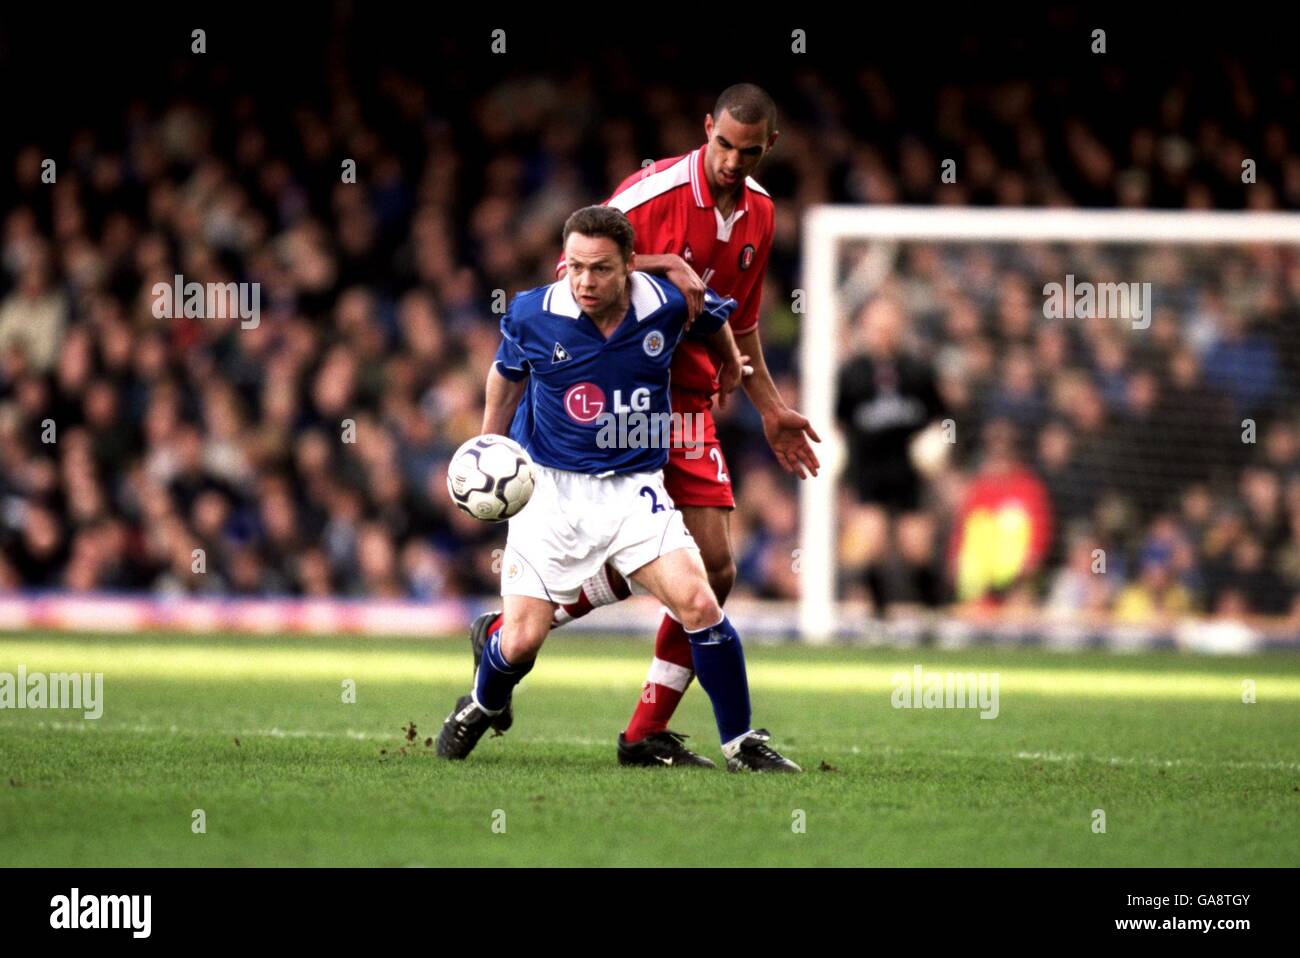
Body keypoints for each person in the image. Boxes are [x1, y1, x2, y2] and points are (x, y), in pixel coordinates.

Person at [465, 83, 821, 768]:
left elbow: (740, 324)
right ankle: (527, 639)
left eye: (748, 152)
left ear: (768, 147)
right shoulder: (648, 195)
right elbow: (571, 281)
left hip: (689, 404)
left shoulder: (761, 215)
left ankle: (642, 728)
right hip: (614, 399)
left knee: (714, 572)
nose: (731, 162)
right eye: (722, 145)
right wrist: (665, 262)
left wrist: (771, 407)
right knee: (681, 566)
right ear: (705, 128)